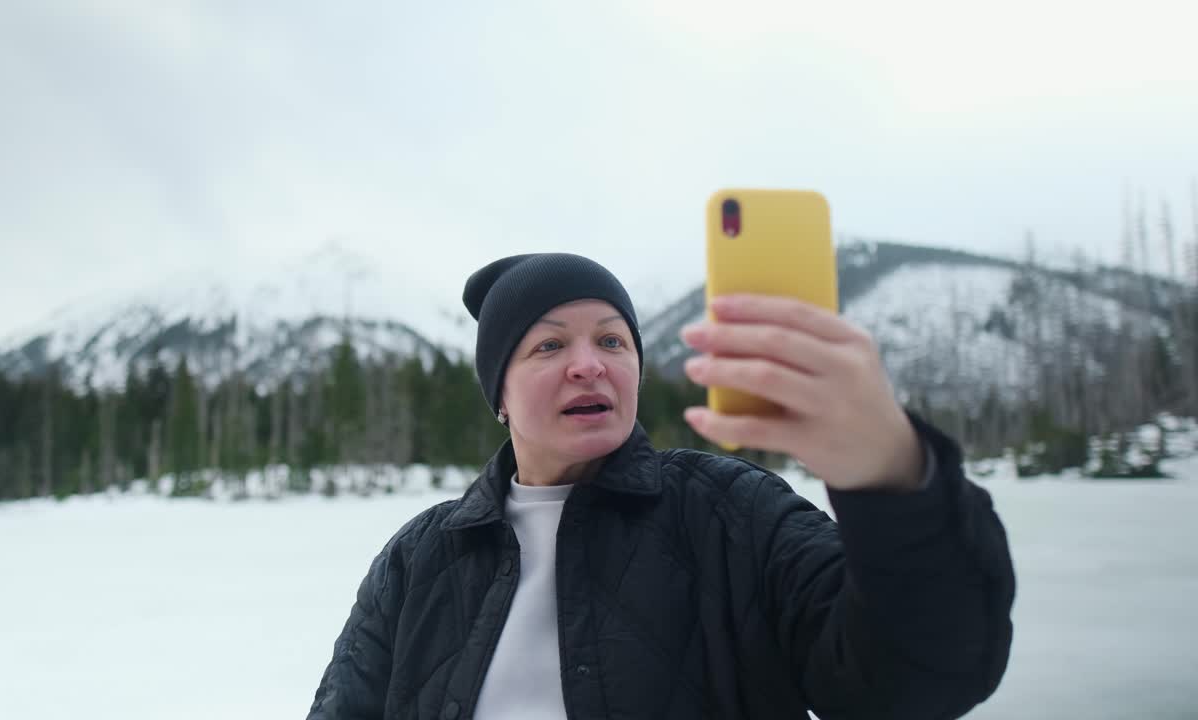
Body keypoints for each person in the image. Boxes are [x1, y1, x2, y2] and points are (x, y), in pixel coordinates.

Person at [306, 253, 1015, 720]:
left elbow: (918, 678)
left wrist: (893, 477)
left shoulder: (732, 511)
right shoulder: (421, 557)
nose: (590, 365)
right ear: (499, 393)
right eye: (550, 345)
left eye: (613, 341)